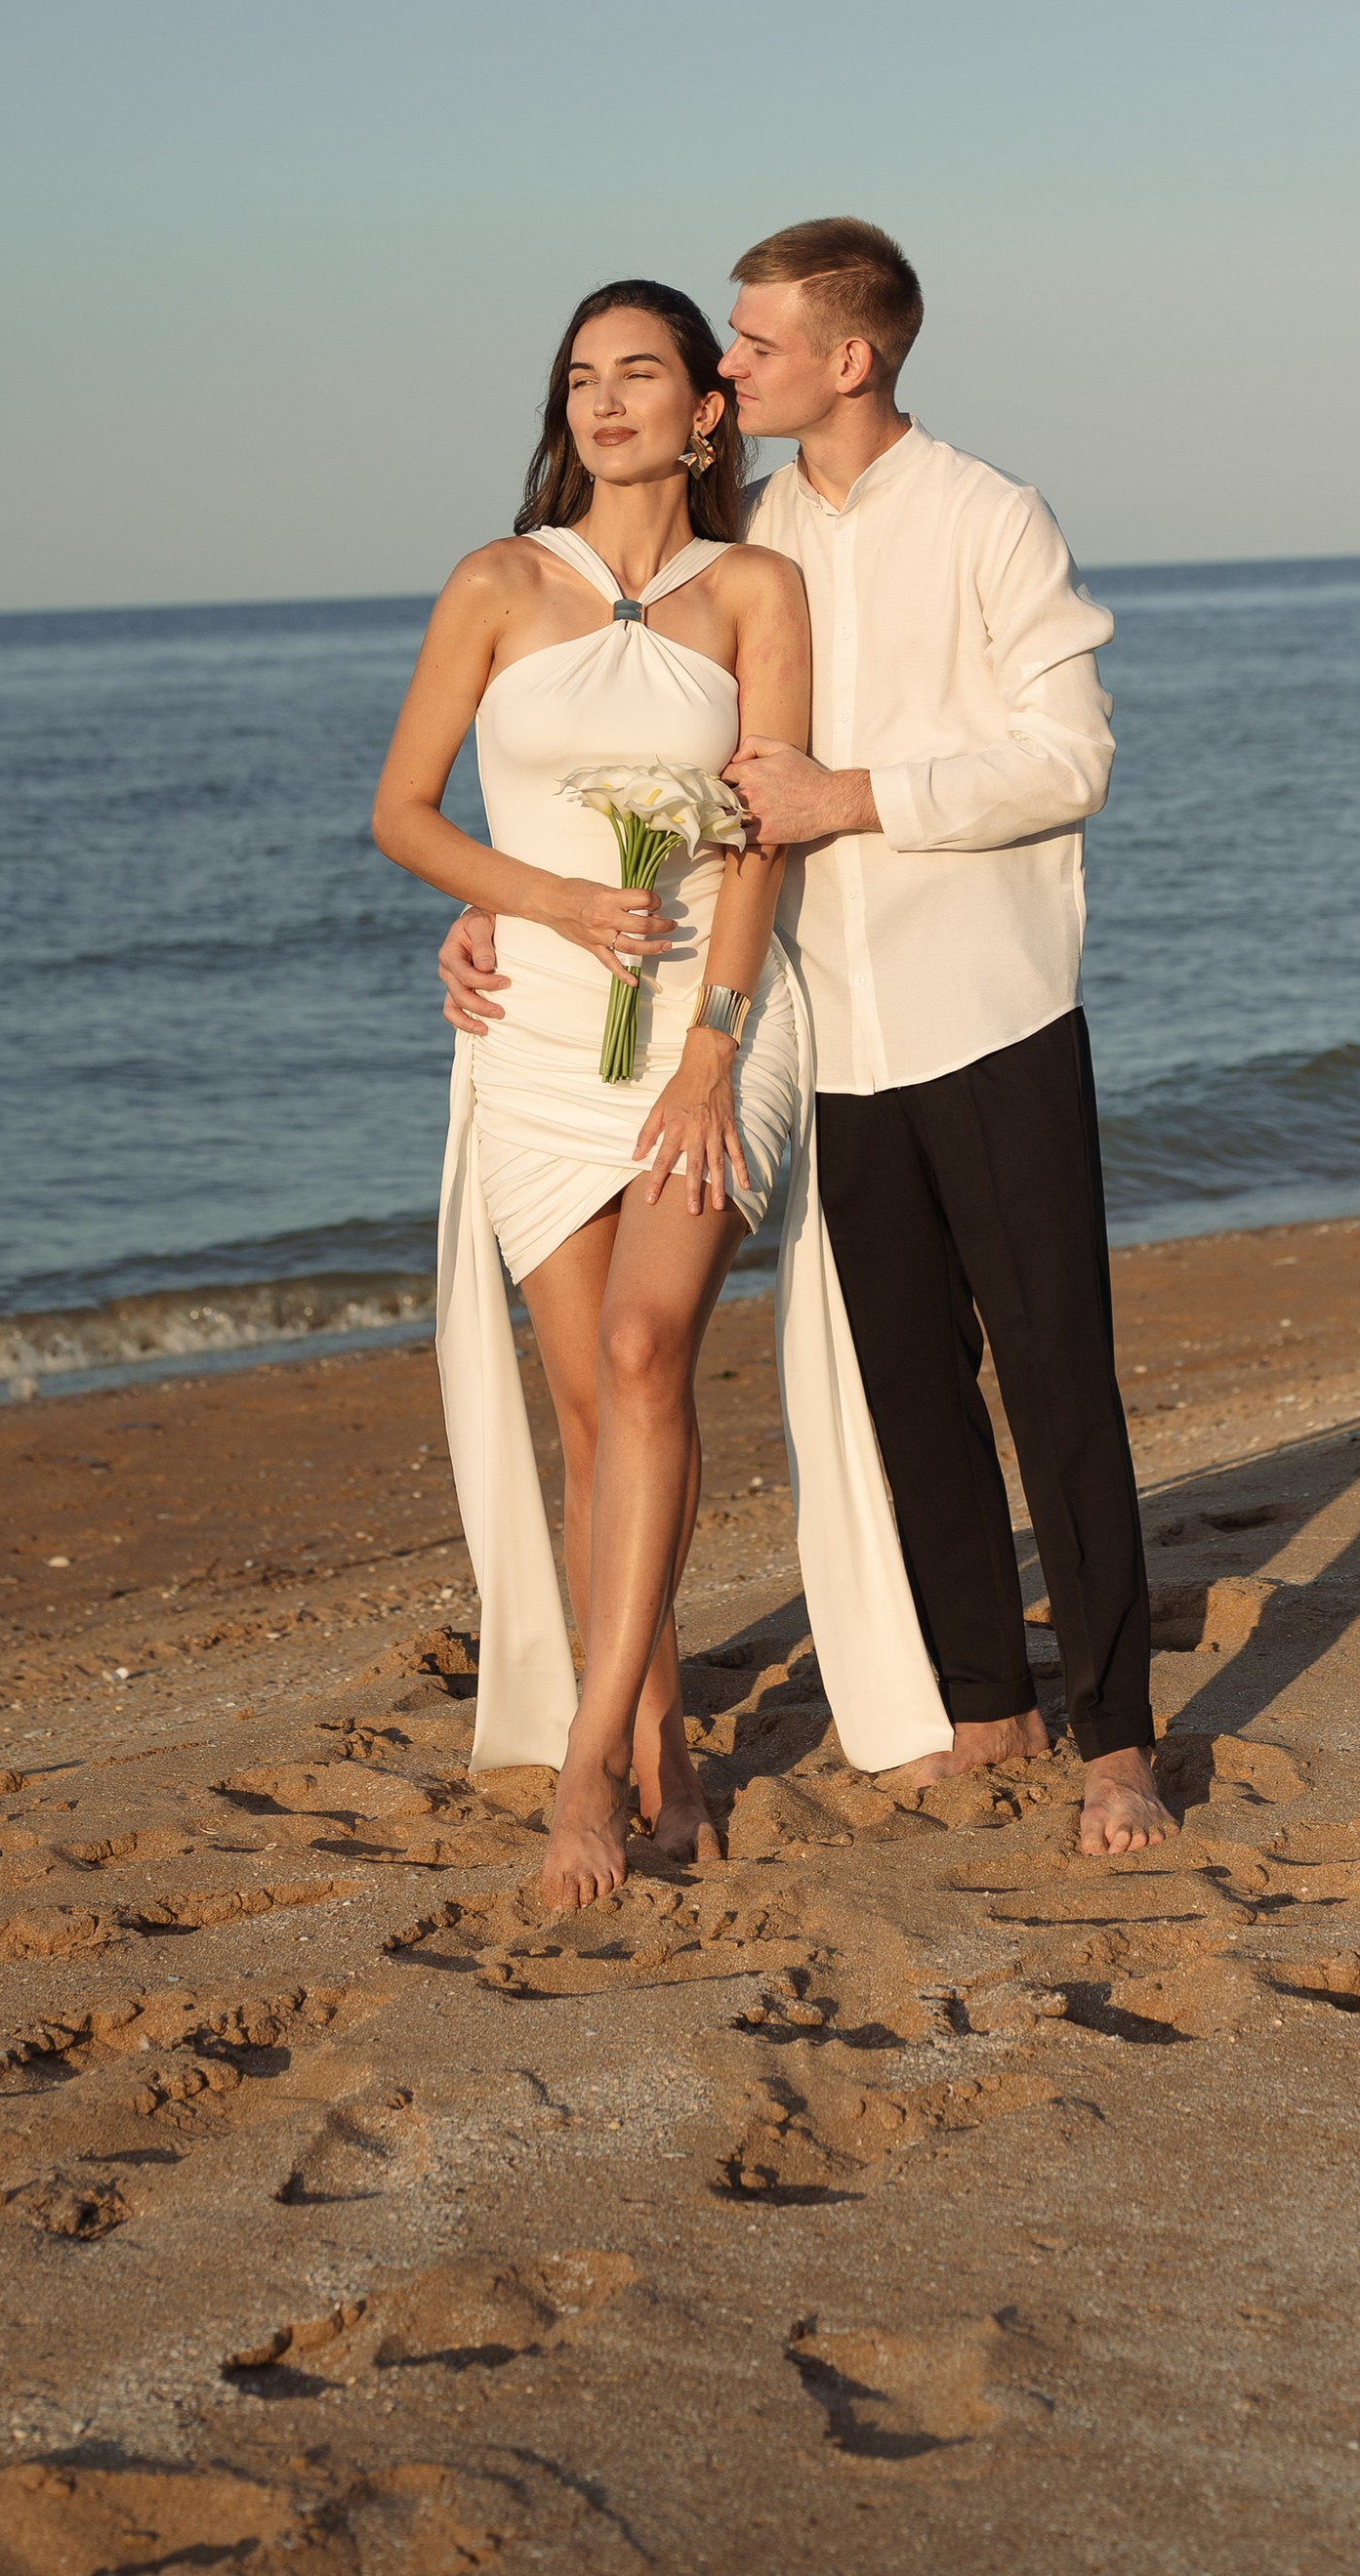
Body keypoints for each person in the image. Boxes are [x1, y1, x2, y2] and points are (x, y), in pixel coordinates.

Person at [444, 219, 1175, 1858]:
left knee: (1059, 1377)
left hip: (988, 1004)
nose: (727, 368)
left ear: (850, 358)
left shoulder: (993, 518)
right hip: (814, 1025)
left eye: (753, 344)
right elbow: (621, 757)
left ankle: (1118, 1737)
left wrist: (859, 801)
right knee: (905, 1376)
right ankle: (986, 1701)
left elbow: (1073, 759)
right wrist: (500, 895)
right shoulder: (743, 538)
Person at [374, 279, 946, 1914]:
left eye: (639, 376)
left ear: (707, 407)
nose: (603, 403)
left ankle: (585, 1768)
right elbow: (406, 814)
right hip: (539, 1025)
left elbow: (760, 829)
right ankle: (671, 1759)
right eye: (577, 378)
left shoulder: (755, 588)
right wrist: (533, 905)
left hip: (711, 1020)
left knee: (644, 1355)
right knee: (588, 1413)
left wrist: (714, 1039)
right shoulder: (494, 584)